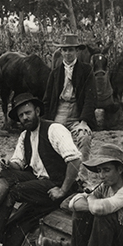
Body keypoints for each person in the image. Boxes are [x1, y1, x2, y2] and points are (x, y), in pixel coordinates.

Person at [0, 93, 82, 246]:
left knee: (14, 192)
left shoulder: (54, 129)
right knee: (7, 174)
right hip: (40, 182)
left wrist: (63, 189)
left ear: (37, 111)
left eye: (27, 113)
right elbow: (19, 163)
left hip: (59, 184)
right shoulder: (25, 136)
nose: (25, 118)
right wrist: (9, 164)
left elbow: (74, 160)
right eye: (21, 115)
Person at [42, 33, 96, 167]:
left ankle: (82, 177)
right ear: (60, 52)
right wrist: (46, 122)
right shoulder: (55, 73)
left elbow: (91, 97)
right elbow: (47, 100)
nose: (68, 53)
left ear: (77, 51)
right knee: (52, 141)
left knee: (84, 137)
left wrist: (84, 122)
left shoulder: (86, 70)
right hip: (59, 113)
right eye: (64, 50)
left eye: (71, 50)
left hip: (77, 115)